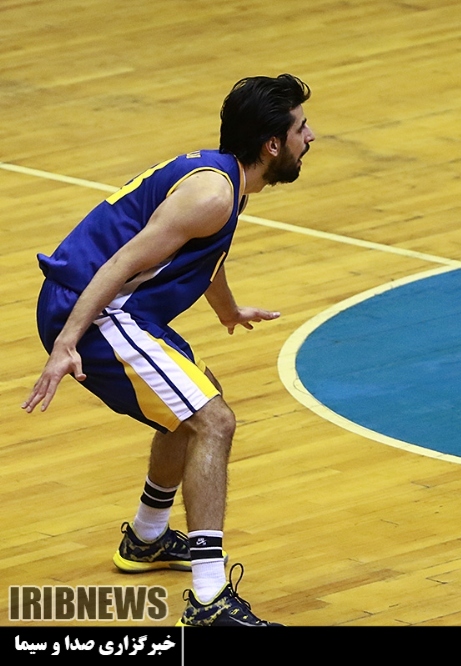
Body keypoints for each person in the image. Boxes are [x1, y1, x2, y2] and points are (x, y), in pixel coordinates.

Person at [23, 74, 315, 625]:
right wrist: (65, 343)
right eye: (302, 128)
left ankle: (148, 537)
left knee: (194, 405)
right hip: (93, 310)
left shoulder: (226, 179)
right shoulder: (212, 194)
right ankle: (208, 600)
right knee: (213, 421)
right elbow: (120, 264)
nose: (312, 136)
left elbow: (206, 253)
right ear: (272, 144)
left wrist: (226, 309)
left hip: (118, 309)